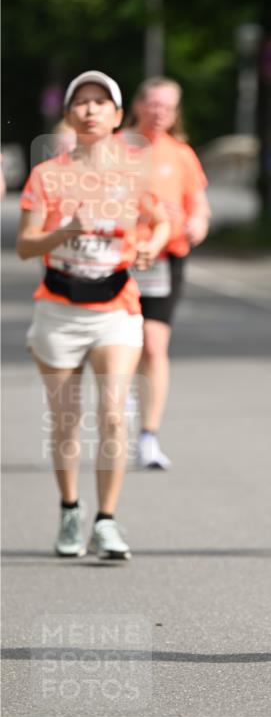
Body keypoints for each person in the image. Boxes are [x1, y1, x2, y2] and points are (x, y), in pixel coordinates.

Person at [17, 70, 170, 559]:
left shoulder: (134, 171)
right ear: (68, 114)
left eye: (100, 102)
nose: (89, 109)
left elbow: (162, 219)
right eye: (80, 102)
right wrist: (66, 232)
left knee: (111, 414)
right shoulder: (47, 176)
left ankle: (106, 520)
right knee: (65, 420)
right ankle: (69, 510)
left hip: (116, 308)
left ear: (117, 116)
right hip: (58, 308)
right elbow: (24, 245)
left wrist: (150, 245)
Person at [122, 77, 210, 469]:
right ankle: (119, 405)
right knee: (122, 344)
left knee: (154, 345)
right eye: (153, 104)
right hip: (119, 258)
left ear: (175, 113)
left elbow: (200, 207)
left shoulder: (181, 154)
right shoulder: (115, 149)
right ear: (138, 105)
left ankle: (148, 436)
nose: (159, 112)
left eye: (167, 106)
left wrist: (197, 224)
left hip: (166, 260)